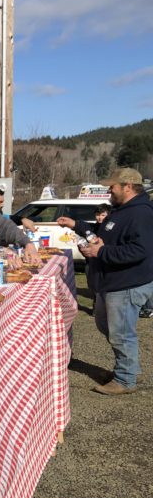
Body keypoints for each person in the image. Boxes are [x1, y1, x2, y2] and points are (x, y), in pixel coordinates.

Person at [57, 168, 153, 395]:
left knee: (121, 333)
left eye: (113, 186)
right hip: (111, 283)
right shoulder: (122, 211)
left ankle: (125, 379)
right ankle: (127, 368)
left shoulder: (142, 214)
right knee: (106, 326)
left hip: (126, 284)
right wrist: (77, 226)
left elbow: (139, 250)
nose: (109, 189)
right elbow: (103, 233)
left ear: (128, 186)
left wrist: (100, 253)